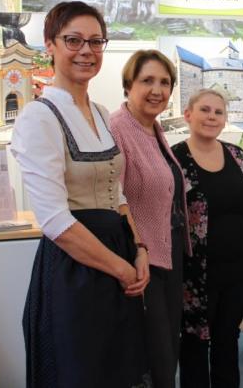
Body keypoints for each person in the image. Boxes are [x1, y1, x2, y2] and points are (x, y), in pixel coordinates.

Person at [11, 1, 151, 388]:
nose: (86, 51)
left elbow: (118, 194)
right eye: (73, 40)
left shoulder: (103, 113)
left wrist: (139, 248)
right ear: (50, 45)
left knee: (118, 368)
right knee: (82, 371)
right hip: (75, 269)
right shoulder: (38, 118)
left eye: (95, 41)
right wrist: (121, 268)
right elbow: (55, 221)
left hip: (117, 255)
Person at [109, 49, 190, 388]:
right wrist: (139, 247)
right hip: (142, 259)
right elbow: (115, 197)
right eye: (147, 81)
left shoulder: (153, 128)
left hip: (167, 254)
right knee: (152, 356)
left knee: (167, 348)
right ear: (129, 85)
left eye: (165, 82)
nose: (157, 90)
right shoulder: (117, 128)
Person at [171, 89, 243, 388]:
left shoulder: (238, 156)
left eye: (218, 112)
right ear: (188, 115)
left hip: (237, 271)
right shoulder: (174, 160)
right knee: (193, 348)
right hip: (194, 276)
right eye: (204, 110)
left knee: (228, 345)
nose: (211, 117)